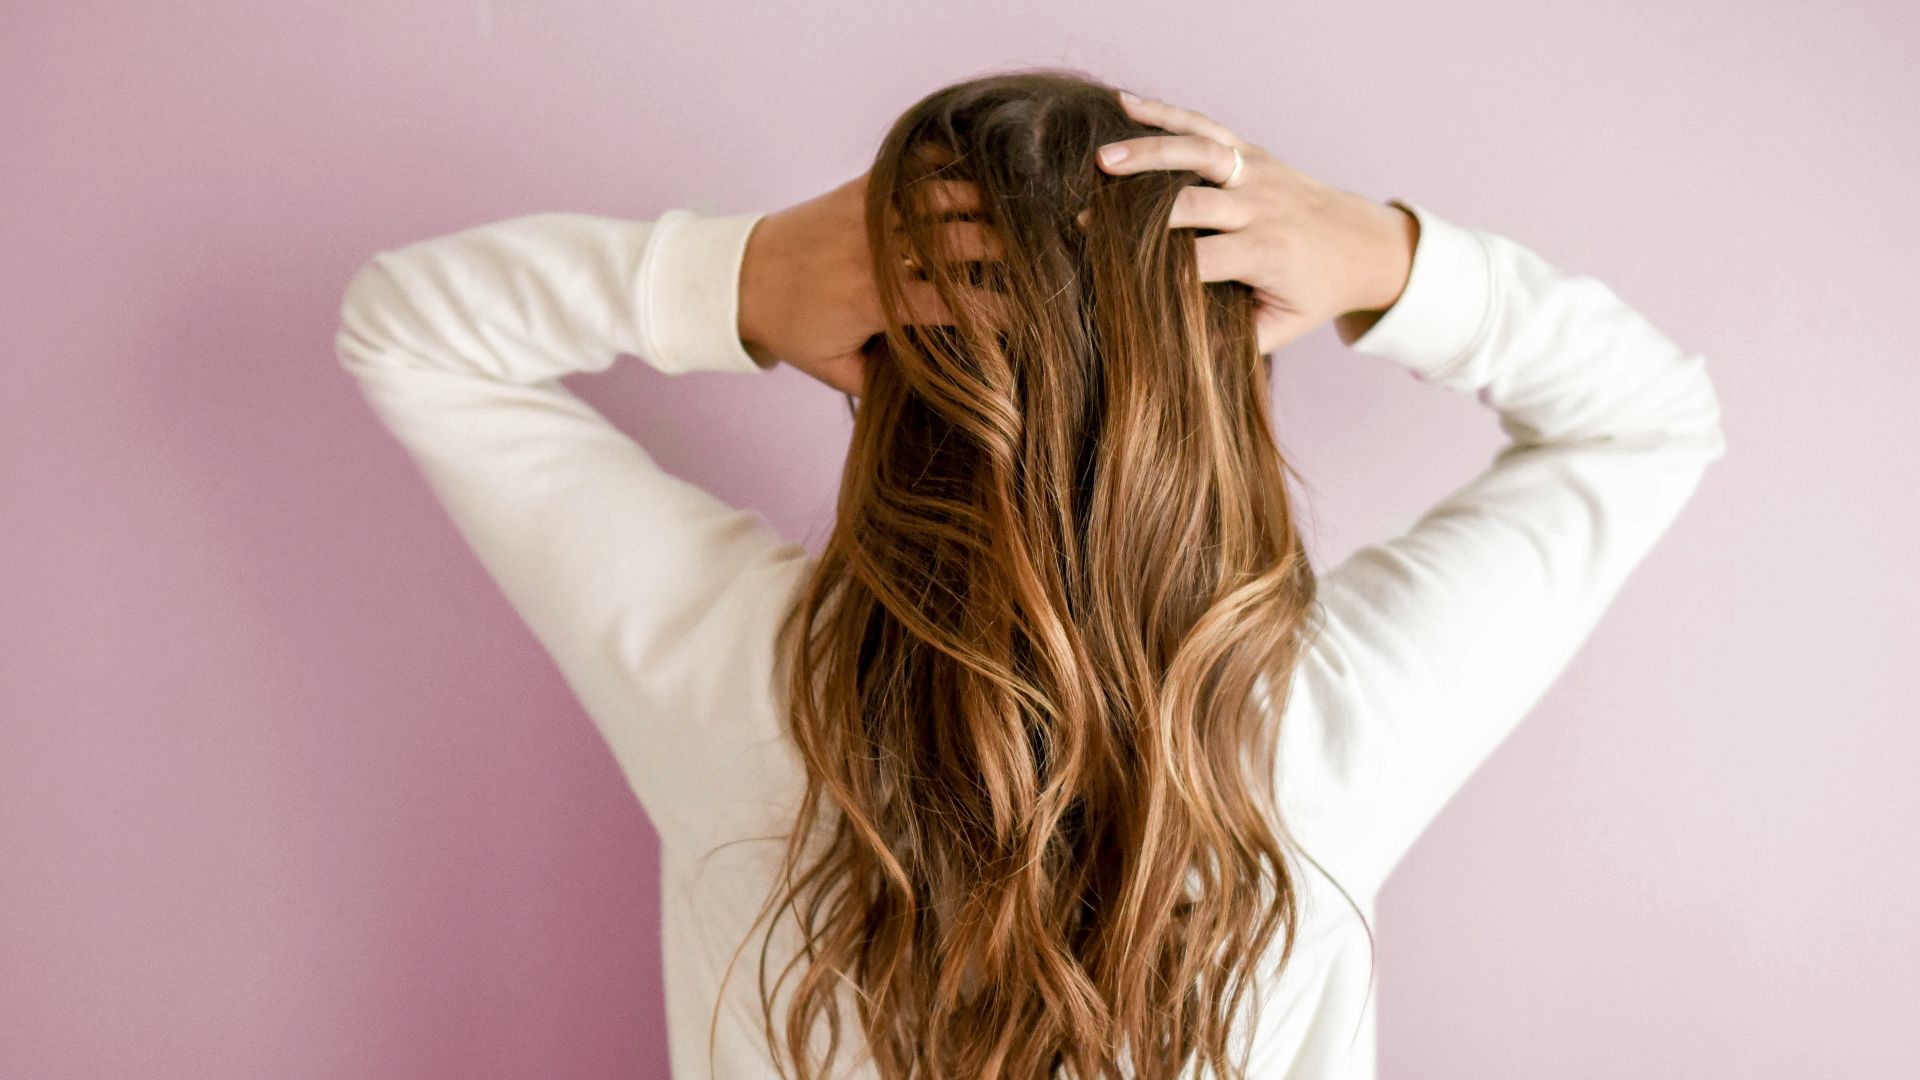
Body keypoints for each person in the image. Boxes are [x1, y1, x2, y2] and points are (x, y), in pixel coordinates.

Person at [334, 68, 1726, 1080]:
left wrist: (740, 275)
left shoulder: (743, 692)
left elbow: (408, 330)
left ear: (885, 364)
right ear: (1218, 389)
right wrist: (1384, 258)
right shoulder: (1318, 737)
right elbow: (1650, 418)